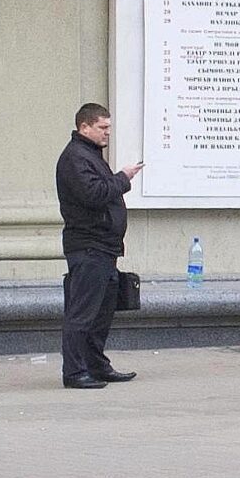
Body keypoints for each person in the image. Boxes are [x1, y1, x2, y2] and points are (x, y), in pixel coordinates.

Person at [55, 103, 140, 390]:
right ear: (84, 127)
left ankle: (96, 365)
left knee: (101, 312)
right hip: (88, 247)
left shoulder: (89, 156)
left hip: (104, 247)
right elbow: (94, 194)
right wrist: (123, 178)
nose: (107, 133)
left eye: (109, 127)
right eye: (102, 127)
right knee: (82, 312)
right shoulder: (75, 158)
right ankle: (75, 372)